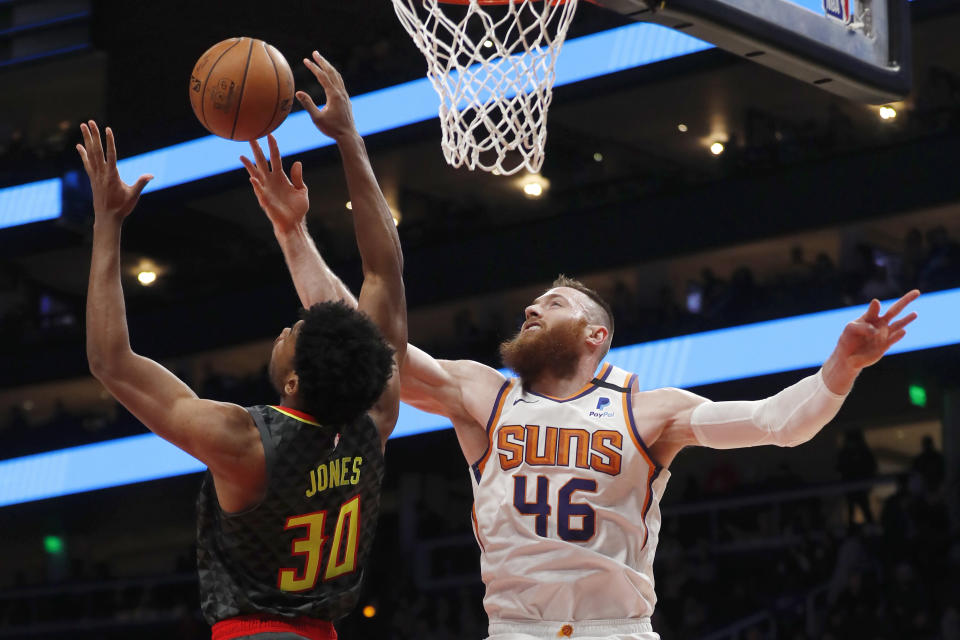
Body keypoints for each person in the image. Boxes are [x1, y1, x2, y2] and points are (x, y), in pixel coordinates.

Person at [245, 59, 920, 640]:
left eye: (556, 304)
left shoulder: (650, 411)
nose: (533, 308)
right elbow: (358, 339)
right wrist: (292, 233)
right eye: (532, 304)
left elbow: (780, 424)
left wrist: (841, 367)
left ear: (598, 335)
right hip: (514, 628)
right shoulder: (484, 396)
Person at [78, 49, 406, 640]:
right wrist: (342, 151)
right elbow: (383, 275)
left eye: (295, 335)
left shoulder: (244, 441)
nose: (289, 326)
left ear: (294, 381)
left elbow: (112, 363)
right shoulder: (374, 419)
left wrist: (108, 223)